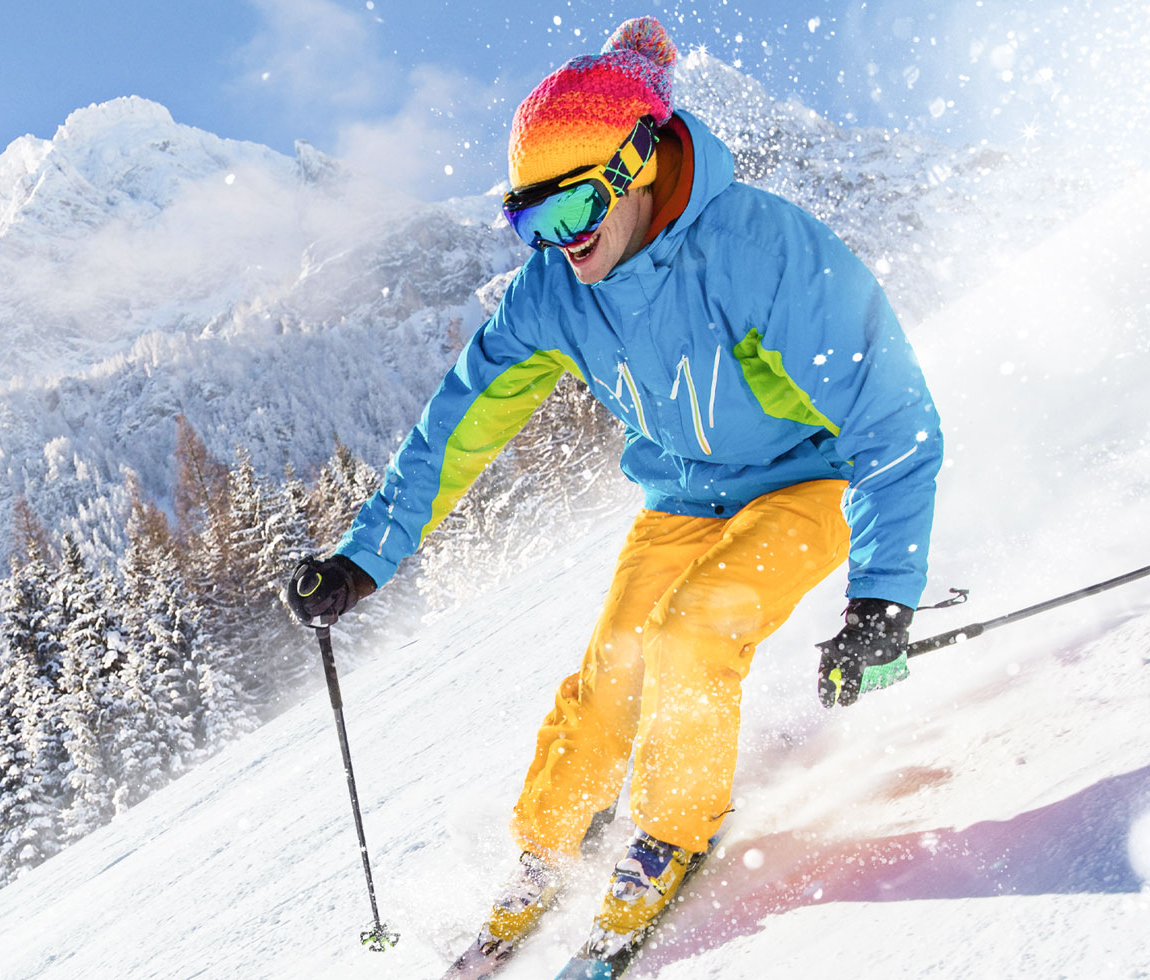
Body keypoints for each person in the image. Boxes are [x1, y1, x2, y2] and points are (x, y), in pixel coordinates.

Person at [283, 15, 942, 973]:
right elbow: (459, 427)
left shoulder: (759, 250)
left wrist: (882, 595)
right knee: (613, 671)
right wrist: (360, 557)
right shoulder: (553, 292)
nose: (562, 244)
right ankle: (550, 846)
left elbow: (892, 414)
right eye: (531, 222)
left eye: (573, 213)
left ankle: (669, 833)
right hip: (680, 499)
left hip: (811, 478)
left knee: (693, 632)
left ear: (636, 165)